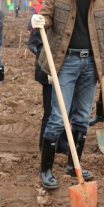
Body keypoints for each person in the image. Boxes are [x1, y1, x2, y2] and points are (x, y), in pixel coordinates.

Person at [31, 0, 104, 190]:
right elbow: (47, 16)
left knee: (80, 118)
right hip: (65, 62)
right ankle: (46, 169)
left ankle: (72, 164)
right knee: (58, 117)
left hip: (91, 64)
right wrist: (41, 21)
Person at [27, 25, 68, 155]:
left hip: (64, 70)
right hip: (47, 71)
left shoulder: (65, 22)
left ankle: (62, 145)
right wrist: (44, 58)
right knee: (50, 111)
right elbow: (32, 44)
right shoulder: (40, 22)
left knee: (65, 110)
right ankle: (44, 146)